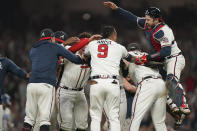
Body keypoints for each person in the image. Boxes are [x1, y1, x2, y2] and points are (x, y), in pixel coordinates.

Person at [104, 1, 190, 115]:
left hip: (174, 58)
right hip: (163, 59)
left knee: (171, 79)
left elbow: (166, 51)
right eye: (146, 18)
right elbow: (132, 18)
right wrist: (117, 9)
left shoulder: (163, 31)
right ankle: (174, 110)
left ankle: (184, 105)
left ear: (157, 19)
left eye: (149, 19)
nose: (146, 21)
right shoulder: (147, 23)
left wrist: (148, 57)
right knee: (157, 81)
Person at [22, 28, 86, 131]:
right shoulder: (56, 48)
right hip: (49, 86)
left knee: (31, 119)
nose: (58, 43)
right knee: (44, 120)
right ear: (52, 39)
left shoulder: (34, 49)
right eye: (57, 41)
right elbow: (72, 58)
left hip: (40, 85)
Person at [84, 25, 135, 131]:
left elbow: (85, 54)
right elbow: (131, 59)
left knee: (95, 117)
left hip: (95, 82)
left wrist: (91, 40)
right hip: (113, 82)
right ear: (114, 35)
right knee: (114, 117)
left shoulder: (92, 44)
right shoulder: (119, 47)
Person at [123, 47, 168, 131]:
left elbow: (124, 63)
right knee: (160, 122)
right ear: (139, 50)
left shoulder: (129, 55)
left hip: (147, 83)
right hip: (161, 83)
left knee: (135, 118)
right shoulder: (147, 55)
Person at [56, 32, 91, 131]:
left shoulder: (92, 57)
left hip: (80, 93)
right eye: (84, 43)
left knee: (82, 125)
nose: (86, 46)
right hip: (65, 91)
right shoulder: (68, 51)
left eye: (88, 44)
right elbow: (56, 50)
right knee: (66, 125)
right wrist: (66, 43)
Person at [0, 54, 29, 130]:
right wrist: (26, 75)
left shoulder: (4, 62)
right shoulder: (4, 62)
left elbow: (18, 71)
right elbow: (18, 71)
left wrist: (26, 75)